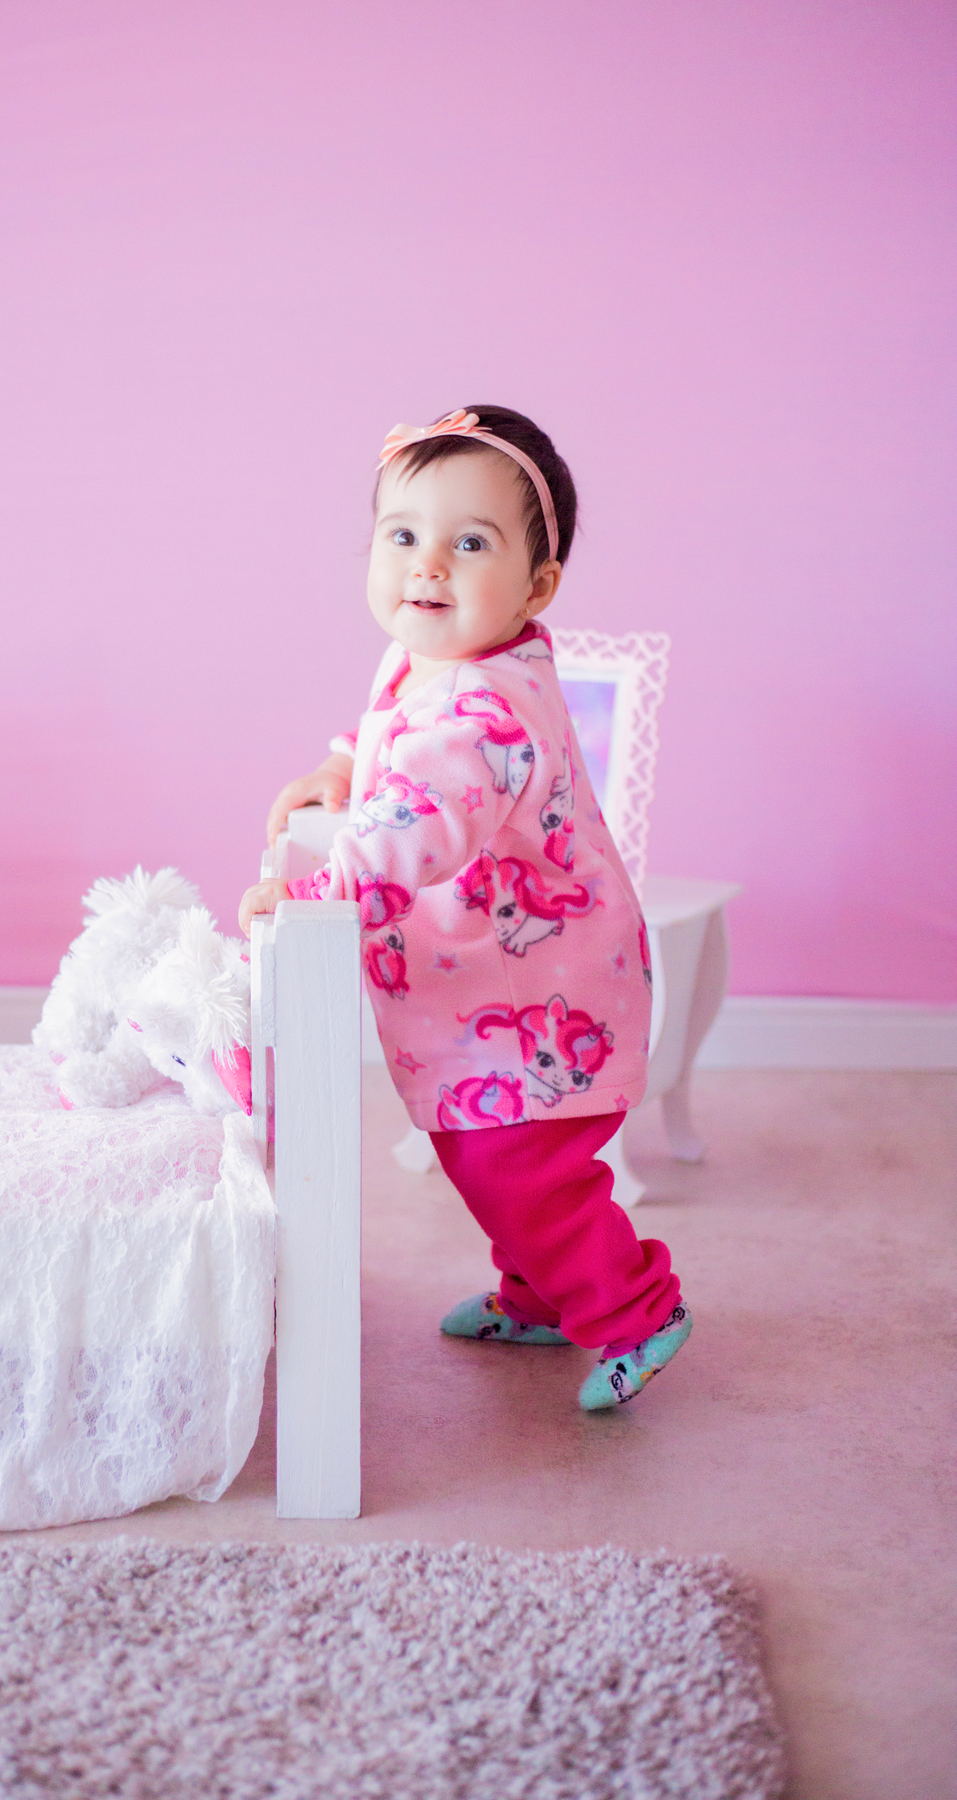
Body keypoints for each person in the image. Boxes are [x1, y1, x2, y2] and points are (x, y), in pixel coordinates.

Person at [239, 406, 690, 1410]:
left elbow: (423, 821)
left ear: (538, 587)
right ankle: (537, 1296)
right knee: (483, 1159)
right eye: (402, 535)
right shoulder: (432, 658)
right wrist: (342, 766)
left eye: (470, 543)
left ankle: (635, 1309)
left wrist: (321, 889)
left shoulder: (491, 709)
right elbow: (395, 740)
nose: (428, 564)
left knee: (521, 1170)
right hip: (481, 987)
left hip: (537, 1002)